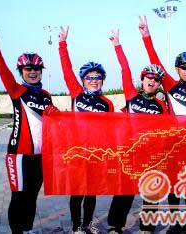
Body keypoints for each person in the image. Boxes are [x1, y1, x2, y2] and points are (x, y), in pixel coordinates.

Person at [138, 15, 186, 234]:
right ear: (177, 69)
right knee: (173, 185)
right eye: (184, 67)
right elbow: (155, 61)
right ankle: (176, 224)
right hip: (172, 145)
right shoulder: (170, 85)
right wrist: (146, 35)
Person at [0, 21, 55, 234]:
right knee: (19, 196)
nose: (33, 72)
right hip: (18, 155)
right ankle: (17, 231)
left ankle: (28, 228)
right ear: (21, 71)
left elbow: (59, 122)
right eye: (28, 68)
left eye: (37, 68)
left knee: (32, 195)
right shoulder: (16, 90)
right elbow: (3, 71)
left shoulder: (47, 96)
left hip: (40, 156)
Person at [107, 29, 168, 234]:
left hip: (152, 156)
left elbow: (171, 128)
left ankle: (147, 228)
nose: (151, 81)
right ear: (143, 79)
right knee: (124, 192)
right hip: (130, 154)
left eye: (156, 79)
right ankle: (115, 226)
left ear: (159, 84)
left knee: (151, 192)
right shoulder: (132, 96)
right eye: (148, 77)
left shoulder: (161, 106)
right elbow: (125, 69)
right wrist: (117, 44)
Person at [58, 26, 114, 234]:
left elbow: (110, 132)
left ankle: (87, 224)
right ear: (83, 80)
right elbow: (66, 70)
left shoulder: (107, 103)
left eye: (97, 77)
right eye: (89, 77)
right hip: (76, 153)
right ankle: (75, 228)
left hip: (96, 155)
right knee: (77, 193)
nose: (93, 80)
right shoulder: (76, 94)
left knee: (91, 193)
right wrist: (62, 44)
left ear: (102, 80)